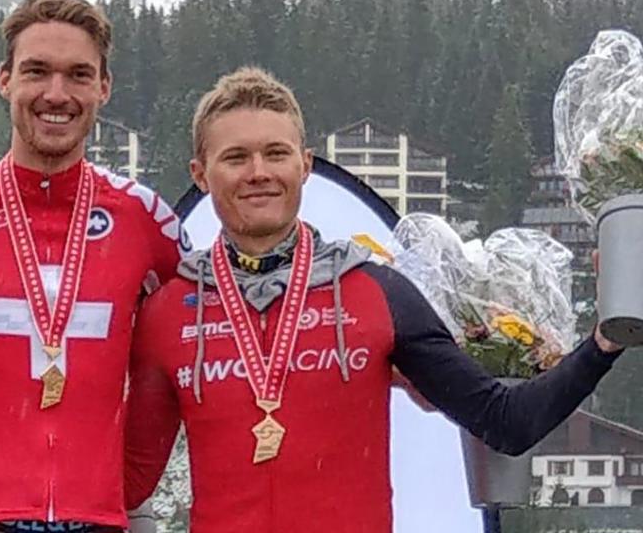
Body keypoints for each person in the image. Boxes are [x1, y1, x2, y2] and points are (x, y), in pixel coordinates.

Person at [121, 67, 623, 532]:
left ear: (305, 165)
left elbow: (506, 423)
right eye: (235, 157)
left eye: (276, 153)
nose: (258, 172)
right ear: (200, 173)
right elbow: (128, 484)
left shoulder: (376, 290)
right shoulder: (167, 310)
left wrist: (606, 336)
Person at [0, 0, 187, 533]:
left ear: (104, 87)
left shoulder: (146, 219)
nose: (57, 94)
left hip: (101, 516)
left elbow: (210, 334)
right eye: (36, 71)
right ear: (5, 80)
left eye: (78, 74)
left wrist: (134, 471)